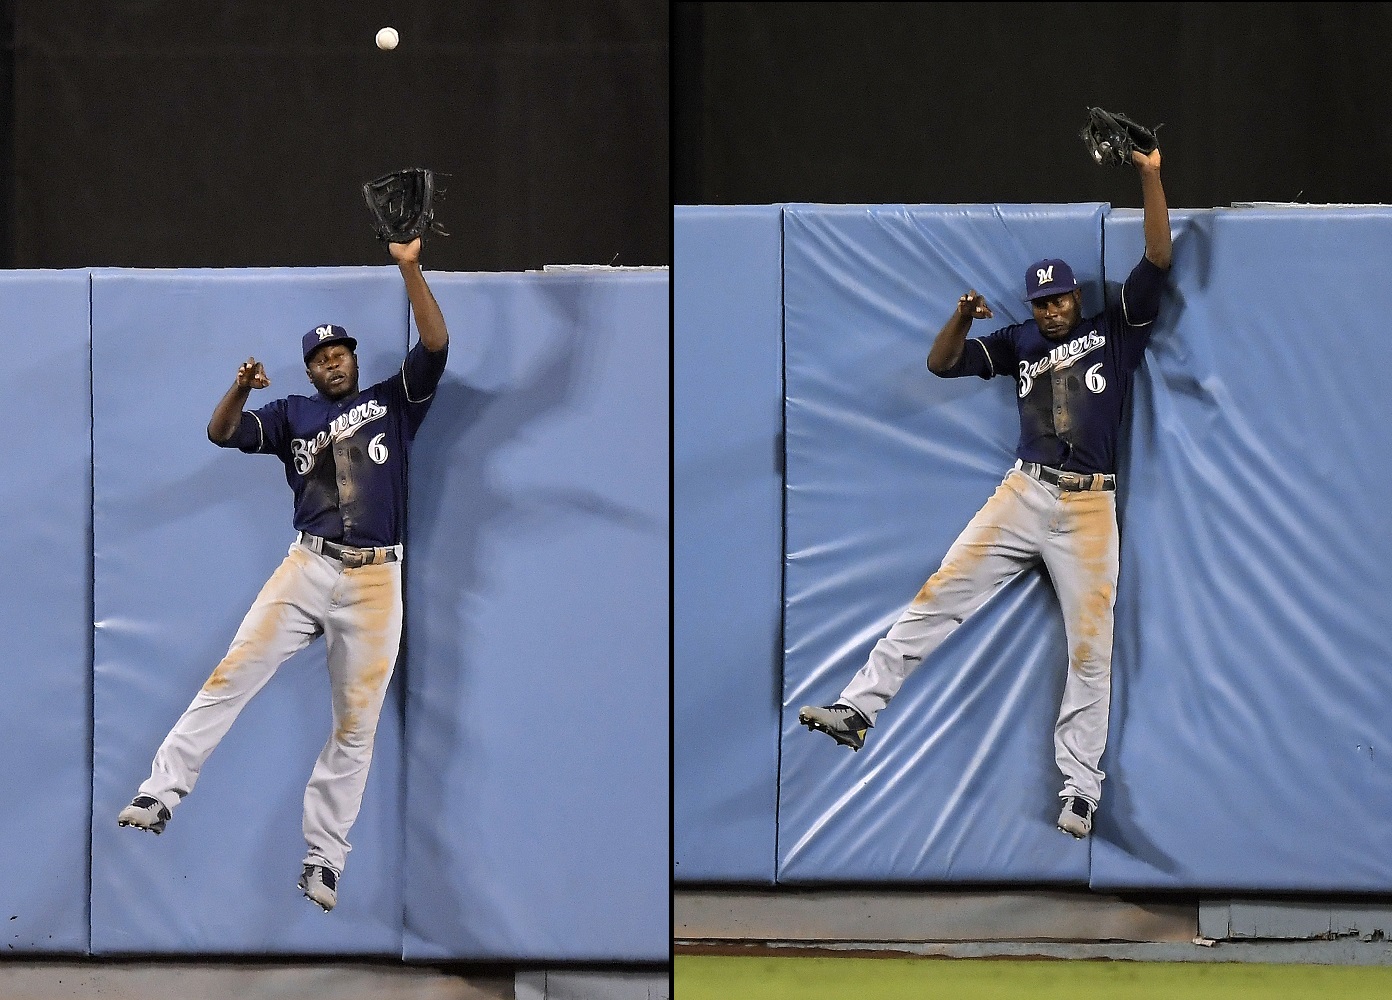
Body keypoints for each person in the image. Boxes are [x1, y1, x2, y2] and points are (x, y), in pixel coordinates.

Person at [799, 145, 1171, 839]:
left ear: (1076, 296)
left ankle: (1081, 790)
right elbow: (943, 364)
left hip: (1091, 507)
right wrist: (962, 318)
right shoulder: (1020, 340)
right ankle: (859, 707)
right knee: (939, 595)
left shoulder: (1112, 332)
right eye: (1041, 300)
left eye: (1059, 297)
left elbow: (1157, 259)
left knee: (1092, 649)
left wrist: (1150, 176)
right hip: (1024, 493)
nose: (1052, 308)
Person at [118, 235, 449, 910]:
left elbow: (437, 344)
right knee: (231, 674)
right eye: (322, 358)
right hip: (307, 567)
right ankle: (159, 791)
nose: (333, 363)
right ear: (310, 368)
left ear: (355, 356)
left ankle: (324, 860)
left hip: (377, 582)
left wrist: (410, 268)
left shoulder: (394, 401)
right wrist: (239, 386)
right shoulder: (291, 415)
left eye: (341, 351)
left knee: (355, 727)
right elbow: (220, 433)